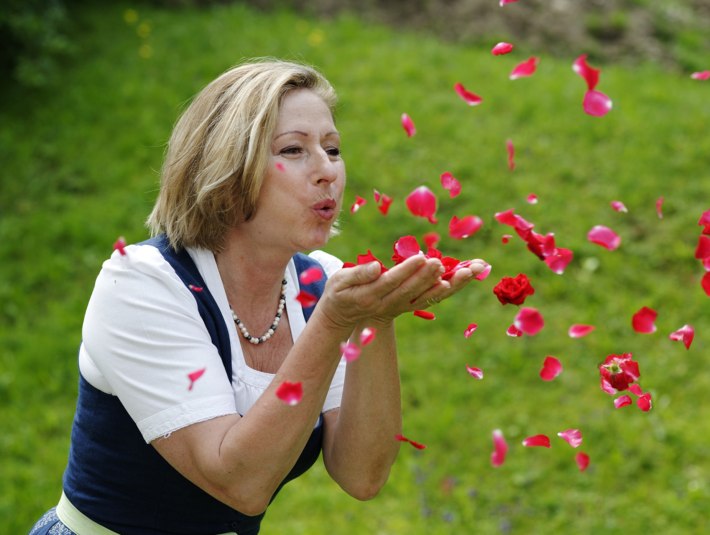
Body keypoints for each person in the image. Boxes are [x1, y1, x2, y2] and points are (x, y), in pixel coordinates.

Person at [29, 58, 488, 534]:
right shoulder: (143, 282)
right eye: (294, 150)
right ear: (227, 169)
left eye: (333, 149)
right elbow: (240, 483)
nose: (327, 169)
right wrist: (334, 323)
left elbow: (362, 475)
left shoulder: (320, 283)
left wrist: (378, 319)